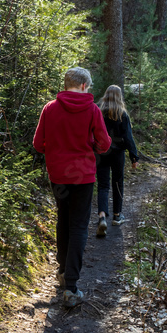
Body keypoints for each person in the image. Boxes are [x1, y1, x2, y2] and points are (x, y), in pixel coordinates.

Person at [33, 66, 111, 307]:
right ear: (84, 86)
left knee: (63, 220)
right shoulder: (92, 109)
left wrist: (56, 154)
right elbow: (105, 143)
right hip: (84, 177)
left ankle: (62, 271)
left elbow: (38, 143)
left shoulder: (50, 108)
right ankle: (71, 286)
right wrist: (92, 149)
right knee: (78, 225)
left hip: (58, 175)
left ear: (66, 84)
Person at [95, 85, 138, 237]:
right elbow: (128, 137)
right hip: (118, 153)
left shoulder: (98, 111)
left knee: (103, 185)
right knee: (118, 182)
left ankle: (101, 217)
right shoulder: (122, 114)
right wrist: (134, 156)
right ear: (119, 97)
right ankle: (116, 216)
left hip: (101, 152)